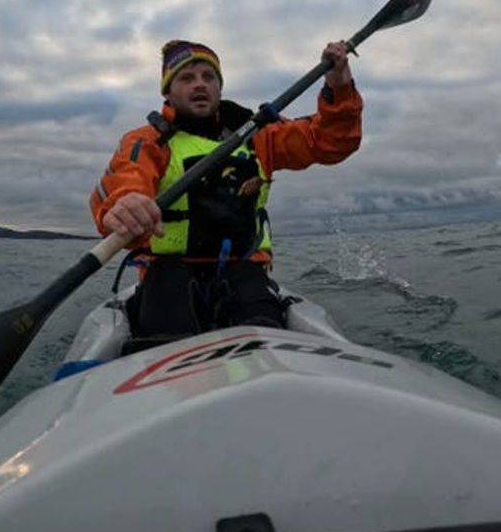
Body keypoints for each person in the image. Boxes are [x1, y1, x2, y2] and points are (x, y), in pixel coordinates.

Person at [89, 38, 362, 337]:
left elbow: (332, 141)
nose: (200, 85)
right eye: (186, 78)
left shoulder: (259, 135)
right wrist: (127, 201)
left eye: (209, 77)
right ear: (167, 90)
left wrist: (339, 86)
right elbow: (126, 178)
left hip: (244, 270)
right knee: (167, 293)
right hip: (168, 273)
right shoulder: (146, 141)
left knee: (257, 309)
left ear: (219, 88)